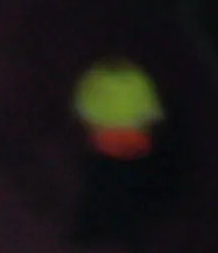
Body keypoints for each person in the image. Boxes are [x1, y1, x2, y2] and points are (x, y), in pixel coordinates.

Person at [69, 54, 167, 243]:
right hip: (122, 150)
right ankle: (107, 231)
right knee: (114, 192)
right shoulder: (134, 79)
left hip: (116, 149)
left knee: (107, 191)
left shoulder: (99, 78)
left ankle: (98, 231)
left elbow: (82, 113)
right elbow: (153, 117)